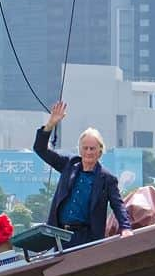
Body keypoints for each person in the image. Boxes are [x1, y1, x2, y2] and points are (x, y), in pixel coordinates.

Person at [33, 101, 132, 248]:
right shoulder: (69, 165)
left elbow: (118, 205)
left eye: (92, 148)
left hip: (87, 238)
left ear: (100, 150)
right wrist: (51, 124)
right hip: (60, 235)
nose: (88, 152)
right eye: (85, 148)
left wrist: (126, 228)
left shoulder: (107, 179)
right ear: (80, 149)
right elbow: (40, 149)